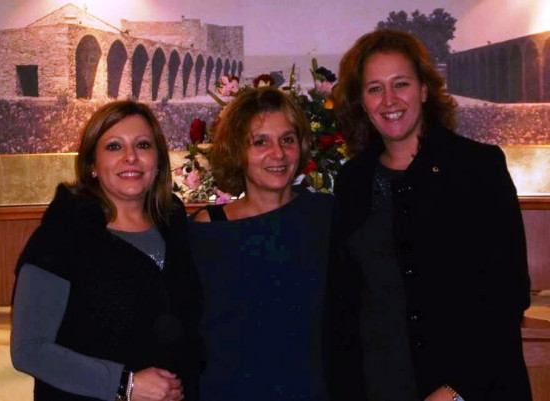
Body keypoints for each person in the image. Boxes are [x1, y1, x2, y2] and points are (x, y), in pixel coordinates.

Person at [324, 29, 532, 401]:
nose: (389, 100)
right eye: (374, 88)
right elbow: (343, 303)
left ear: (424, 89)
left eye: (400, 84)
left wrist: (454, 390)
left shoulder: (478, 168)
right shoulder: (353, 180)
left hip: (470, 389)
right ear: (361, 101)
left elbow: (507, 293)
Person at [11, 101, 203, 401]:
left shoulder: (176, 226)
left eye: (142, 145)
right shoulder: (61, 236)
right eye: (114, 146)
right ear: (92, 165)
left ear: (158, 161)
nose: (130, 157)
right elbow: (29, 350)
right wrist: (124, 384)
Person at [188, 87, 334, 401]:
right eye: (260, 142)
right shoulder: (208, 229)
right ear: (237, 151)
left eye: (287, 139)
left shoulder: (327, 218)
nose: (278, 153)